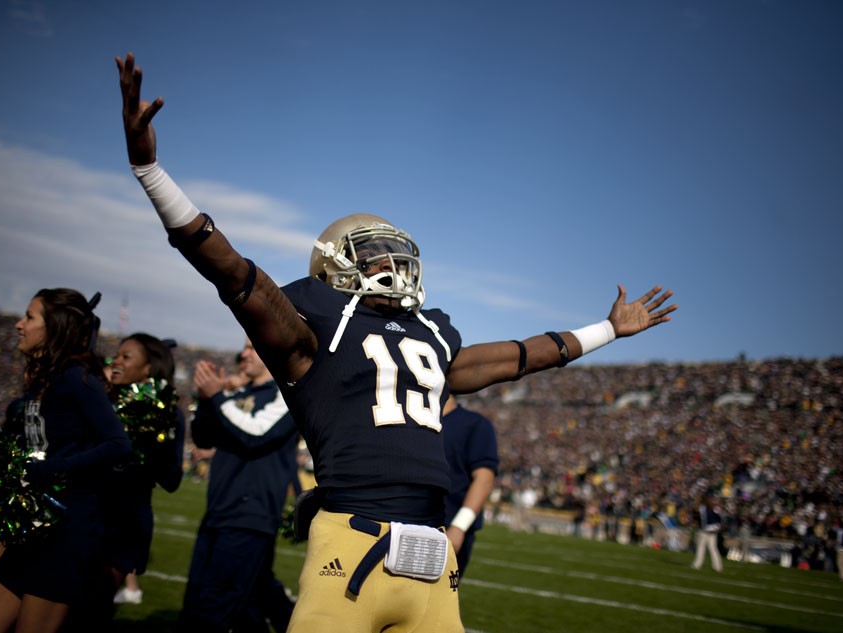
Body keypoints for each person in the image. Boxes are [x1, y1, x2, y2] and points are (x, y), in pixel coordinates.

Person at [116, 51, 677, 633]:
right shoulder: (312, 329)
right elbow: (233, 272)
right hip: (350, 546)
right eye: (371, 252)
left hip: (433, 556)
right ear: (333, 268)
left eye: (391, 249)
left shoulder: (430, 333)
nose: (389, 260)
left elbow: (519, 355)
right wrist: (151, 171)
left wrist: (608, 329)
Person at [0, 288, 131, 633]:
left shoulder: (78, 378)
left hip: (66, 534)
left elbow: (118, 444)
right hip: (32, 528)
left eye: (29, 317)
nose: (18, 324)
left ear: (54, 327)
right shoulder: (45, 378)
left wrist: (42, 471)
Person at [181, 339, 298, 633]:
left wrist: (219, 396)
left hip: (250, 516)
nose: (242, 354)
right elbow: (204, 438)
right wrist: (206, 400)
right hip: (220, 509)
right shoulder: (237, 393)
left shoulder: (287, 394)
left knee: (211, 610)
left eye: (252, 347)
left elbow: (256, 434)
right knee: (242, 608)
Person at [104, 333, 186, 606]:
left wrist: (152, 437)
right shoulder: (100, 400)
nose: (116, 360)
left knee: (91, 610)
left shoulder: (169, 413)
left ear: (148, 368)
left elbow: (172, 479)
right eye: (116, 355)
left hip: (126, 520)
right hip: (84, 513)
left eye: (126, 357)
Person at [442, 396, 498, 577]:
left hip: (446, 527)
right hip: (405, 524)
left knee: (436, 601)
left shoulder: (474, 424)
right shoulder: (412, 421)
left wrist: (458, 527)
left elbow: (484, 478)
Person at [691, 495, 724, 572]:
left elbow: (704, 519)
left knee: (702, 547)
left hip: (706, 530)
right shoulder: (714, 508)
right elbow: (719, 518)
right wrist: (718, 525)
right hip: (711, 530)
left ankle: (698, 564)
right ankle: (717, 566)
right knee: (711, 548)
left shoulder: (703, 508)